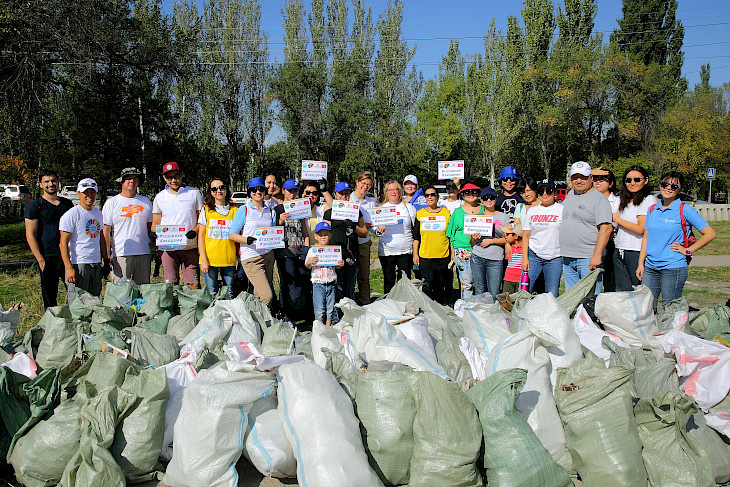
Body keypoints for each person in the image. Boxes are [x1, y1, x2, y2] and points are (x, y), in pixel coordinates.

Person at [637, 171, 716, 312]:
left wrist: (687, 250)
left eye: (674, 186)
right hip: (650, 267)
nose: (668, 188)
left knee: (671, 309)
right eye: (665, 184)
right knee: (646, 308)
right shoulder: (652, 209)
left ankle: (673, 334)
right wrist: (640, 263)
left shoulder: (685, 210)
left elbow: (710, 233)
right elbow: (646, 237)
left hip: (673, 267)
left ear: (680, 189)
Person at [560, 161, 613, 293]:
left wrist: (597, 255)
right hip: (568, 257)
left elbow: (606, 229)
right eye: (575, 177)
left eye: (583, 177)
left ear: (591, 178)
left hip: (588, 258)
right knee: (571, 298)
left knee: (589, 299)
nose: (579, 181)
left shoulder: (599, 199)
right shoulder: (571, 194)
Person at [25, 169, 74, 308]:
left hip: (67, 256)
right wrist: (40, 259)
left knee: (75, 293)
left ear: (58, 183)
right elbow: (30, 235)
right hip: (47, 257)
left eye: (53, 181)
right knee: (49, 297)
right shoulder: (35, 206)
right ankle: (52, 325)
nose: (50, 184)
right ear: (41, 184)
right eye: (46, 181)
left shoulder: (67, 204)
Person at [152, 162, 204, 288]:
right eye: (169, 177)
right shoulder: (160, 197)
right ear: (164, 178)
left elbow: (202, 219)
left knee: (193, 284)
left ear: (181, 175)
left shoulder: (194, 193)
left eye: (176, 176)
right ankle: (173, 307)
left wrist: (195, 231)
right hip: (168, 248)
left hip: (189, 246)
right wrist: (153, 234)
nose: (173, 180)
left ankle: (192, 307)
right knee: (170, 284)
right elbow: (156, 221)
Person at [229, 177, 276, 307]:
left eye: (261, 189)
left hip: (268, 256)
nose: (257, 192)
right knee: (267, 295)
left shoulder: (270, 210)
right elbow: (232, 235)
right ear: (250, 192)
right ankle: (262, 320)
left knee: (258, 294)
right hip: (251, 257)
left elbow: (272, 232)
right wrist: (246, 240)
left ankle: (253, 322)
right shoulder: (244, 210)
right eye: (254, 190)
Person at [59, 178, 107, 304]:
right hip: (79, 264)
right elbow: (63, 243)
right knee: (78, 303)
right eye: (86, 192)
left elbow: (101, 237)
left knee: (94, 301)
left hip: (95, 264)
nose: (90, 196)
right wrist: (69, 268)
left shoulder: (98, 213)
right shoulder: (72, 214)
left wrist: (105, 259)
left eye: (93, 192)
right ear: (78, 193)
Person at [102, 167, 153, 285]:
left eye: (135, 178)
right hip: (121, 254)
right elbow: (106, 231)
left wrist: (155, 248)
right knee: (121, 292)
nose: (132, 181)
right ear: (122, 182)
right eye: (128, 178)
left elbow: (151, 227)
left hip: (143, 253)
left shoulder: (145, 201)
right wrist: (107, 255)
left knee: (143, 290)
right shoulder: (112, 203)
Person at [612, 165, 658, 291]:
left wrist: (617, 219)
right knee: (622, 292)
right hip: (620, 250)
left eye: (637, 180)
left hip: (636, 251)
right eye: (628, 180)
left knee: (638, 291)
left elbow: (640, 228)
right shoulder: (623, 200)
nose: (632, 183)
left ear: (646, 180)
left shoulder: (648, 200)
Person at [274, 179, 312, 322]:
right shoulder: (278, 209)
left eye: (295, 191)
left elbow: (304, 229)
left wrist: (307, 248)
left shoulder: (301, 207)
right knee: (288, 283)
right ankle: (286, 314)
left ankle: (303, 314)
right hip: (285, 252)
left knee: (304, 281)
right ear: (283, 191)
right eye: (290, 191)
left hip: (300, 250)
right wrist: (280, 222)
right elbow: (272, 231)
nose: (292, 193)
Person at [323, 182, 367, 301]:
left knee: (349, 287)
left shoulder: (356, 211)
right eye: (341, 193)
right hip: (335, 255)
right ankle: (336, 314)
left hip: (351, 253)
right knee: (336, 287)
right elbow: (323, 235)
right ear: (335, 195)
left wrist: (354, 227)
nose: (344, 196)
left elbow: (364, 232)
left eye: (346, 193)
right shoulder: (329, 212)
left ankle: (350, 313)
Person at [522, 178, 564, 297]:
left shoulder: (562, 210)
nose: (545, 194)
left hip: (555, 256)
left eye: (549, 191)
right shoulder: (532, 211)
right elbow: (526, 235)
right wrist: (525, 258)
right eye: (541, 191)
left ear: (554, 192)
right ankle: (522, 313)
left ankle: (551, 314)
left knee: (552, 293)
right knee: (525, 289)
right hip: (534, 255)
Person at [197, 176, 238, 298]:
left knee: (229, 293)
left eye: (221, 188)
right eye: (214, 189)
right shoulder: (206, 210)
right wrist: (203, 260)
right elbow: (201, 236)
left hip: (229, 259)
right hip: (210, 260)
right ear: (210, 192)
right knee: (212, 294)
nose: (218, 191)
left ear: (226, 189)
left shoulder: (235, 210)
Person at [375, 180, 417, 294]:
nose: (393, 192)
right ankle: (389, 305)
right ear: (386, 192)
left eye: (396, 189)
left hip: (405, 250)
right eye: (390, 190)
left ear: (400, 191)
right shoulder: (381, 208)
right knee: (389, 279)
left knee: (404, 280)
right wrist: (378, 230)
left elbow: (414, 228)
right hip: (387, 250)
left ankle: (404, 304)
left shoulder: (409, 208)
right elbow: (374, 229)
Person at [412, 185, 452, 304]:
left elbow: (450, 235)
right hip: (426, 255)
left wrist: (453, 253)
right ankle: (428, 309)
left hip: (443, 255)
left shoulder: (446, 213)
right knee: (427, 285)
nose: (430, 197)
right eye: (427, 195)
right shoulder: (420, 214)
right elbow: (416, 237)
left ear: (437, 197)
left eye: (432, 195)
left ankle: (439, 308)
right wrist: (415, 254)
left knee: (440, 286)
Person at [469, 187, 510, 299]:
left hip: (495, 259)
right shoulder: (477, 218)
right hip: (478, 257)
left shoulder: (504, 217)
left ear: (496, 199)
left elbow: (508, 239)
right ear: (481, 200)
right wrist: (474, 238)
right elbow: (471, 242)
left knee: (494, 292)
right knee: (479, 290)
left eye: (491, 197)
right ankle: (480, 314)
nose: (488, 200)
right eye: (485, 198)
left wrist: (492, 241)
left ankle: (493, 315)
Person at [446, 182, 484, 299]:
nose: (471, 194)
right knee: (467, 283)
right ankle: (465, 307)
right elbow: (451, 235)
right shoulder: (457, 212)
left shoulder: (484, 209)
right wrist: (453, 253)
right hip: (463, 251)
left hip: (482, 250)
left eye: (474, 192)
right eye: (467, 192)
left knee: (481, 282)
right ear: (462, 194)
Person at [305, 222, 344, 326]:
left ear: (330, 235)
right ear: (316, 236)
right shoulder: (312, 250)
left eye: (326, 234)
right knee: (319, 310)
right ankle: (320, 329)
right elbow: (307, 265)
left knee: (330, 309)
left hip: (331, 283)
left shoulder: (334, 250)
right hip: (318, 284)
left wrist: (340, 264)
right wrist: (310, 262)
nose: (323, 237)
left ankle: (328, 328)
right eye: (320, 235)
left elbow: (338, 266)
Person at [350, 171, 377, 305]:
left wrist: (378, 228)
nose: (365, 187)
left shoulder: (370, 203)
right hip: (349, 243)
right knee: (348, 277)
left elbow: (373, 226)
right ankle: (348, 304)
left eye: (368, 185)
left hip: (363, 243)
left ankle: (365, 304)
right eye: (363, 183)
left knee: (364, 276)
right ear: (357, 182)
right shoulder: (347, 199)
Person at [593, 166, 620, 291]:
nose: (598, 182)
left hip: (611, 245)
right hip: (592, 244)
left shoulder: (618, 202)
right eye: (595, 178)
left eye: (602, 179)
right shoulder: (590, 200)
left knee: (610, 282)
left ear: (611, 183)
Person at [502, 223, 523, 294]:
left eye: (508, 234)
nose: (506, 237)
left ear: (516, 236)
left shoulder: (525, 248)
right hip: (508, 278)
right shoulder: (509, 248)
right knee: (507, 298)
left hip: (520, 279)